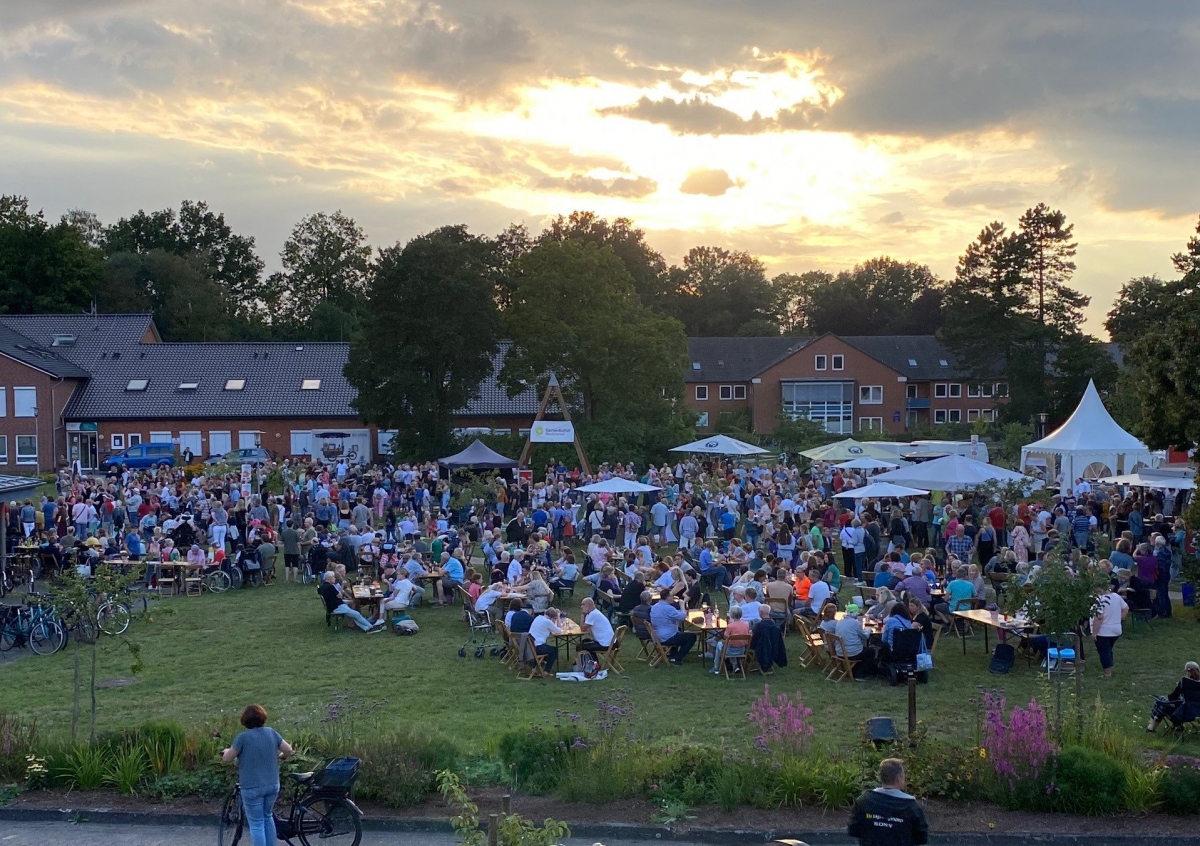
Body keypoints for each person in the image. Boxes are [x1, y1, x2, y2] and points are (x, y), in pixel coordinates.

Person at [221, 704, 294, 846]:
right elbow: (289, 750)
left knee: (256, 823)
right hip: (272, 784)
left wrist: (225, 752)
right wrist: (281, 757)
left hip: (251, 787)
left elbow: (227, 758)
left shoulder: (242, 738)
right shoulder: (271, 733)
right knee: (267, 817)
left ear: (245, 720)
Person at [847, 758, 929, 846]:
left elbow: (853, 830)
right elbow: (922, 838)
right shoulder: (911, 806)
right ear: (899, 778)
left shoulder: (864, 801)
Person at [318, 572, 383, 632]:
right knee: (356, 614)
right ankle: (371, 627)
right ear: (329, 578)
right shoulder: (330, 587)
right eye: (333, 577)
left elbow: (321, 592)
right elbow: (340, 596)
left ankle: (367, 628)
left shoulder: (322, 587)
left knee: (354, 615)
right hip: (337, 607)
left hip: (332, 606)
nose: (335, 578)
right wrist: (342, 587)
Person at [1090, 582, 1129, 679]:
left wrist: (1094, 633)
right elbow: (1126, 608)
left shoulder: (1099, 600)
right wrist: (1119, 619)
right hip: (1116, 629)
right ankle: (1109, 669)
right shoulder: (1116, 596)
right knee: (1108, 650)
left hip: (1103, 631)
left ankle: (1107, 673)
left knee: (1104, 652)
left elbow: (1099, 617)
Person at [1148, 662, 1200, 733]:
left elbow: (1173, 697)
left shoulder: (1184, 682)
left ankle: (1151, 728)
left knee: (1161, 701)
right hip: (1197, 711)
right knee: (1180, 702)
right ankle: (1178, 726)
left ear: (1189, 672)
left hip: (1185, 712)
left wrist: (1178, 687)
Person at [649, 588, 696, 664]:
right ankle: (678, 659)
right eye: (672, 596)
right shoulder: (668, 608)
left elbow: (670, 614)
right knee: (691, 637)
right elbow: (682, 617)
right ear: (667, 598)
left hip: (656, 636)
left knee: (678, 630)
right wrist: (682, 605)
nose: (673, 597)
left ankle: (673, 655)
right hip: (666, 637)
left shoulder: (655, 606)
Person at [528, 606, 564, 672]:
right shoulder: (547, 622)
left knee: (548, 648)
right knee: (554, 650)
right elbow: (559, 630)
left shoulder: (538, 618)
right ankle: (546, 671)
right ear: (553, 616)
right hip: (538, 647)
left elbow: (551, 625)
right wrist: (558, 616)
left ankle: (535, 667)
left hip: (531, 645)